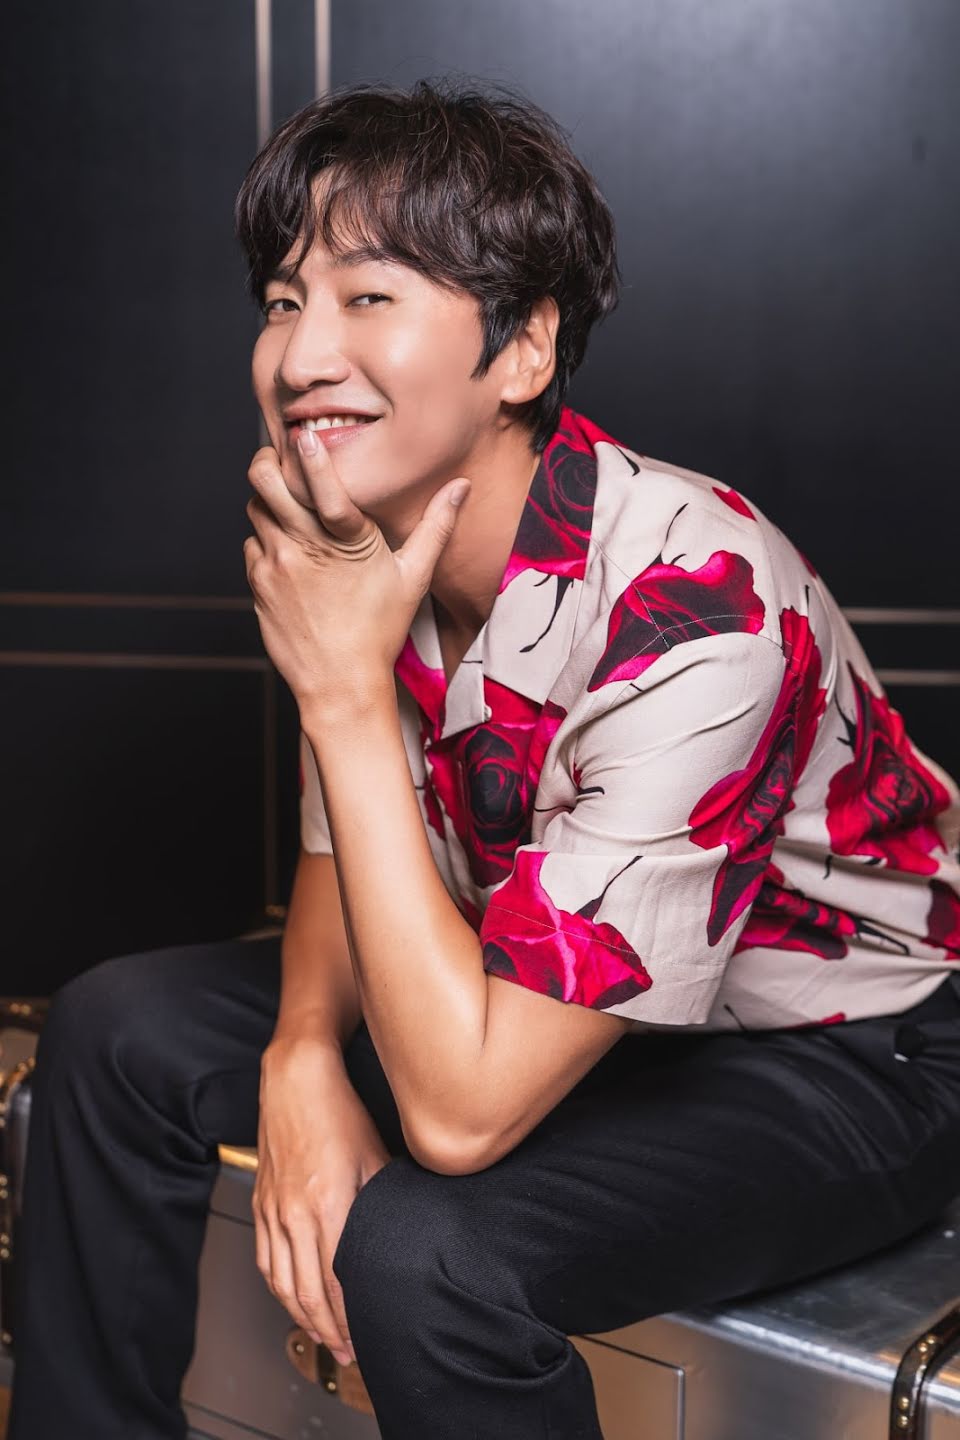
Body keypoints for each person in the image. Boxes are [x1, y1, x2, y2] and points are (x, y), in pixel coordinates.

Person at [9, 77, 960, 1440]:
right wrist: (301, 1057)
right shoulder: (372, 531)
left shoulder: (700, 601)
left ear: (523, 351)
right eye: (282, 301)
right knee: (114, 1029)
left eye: (368, 296)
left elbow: (458, 1122)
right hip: (535, 988)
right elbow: (350, 841)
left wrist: (341, 693)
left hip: (841, 1054)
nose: (300, 355)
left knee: (426, 1251)